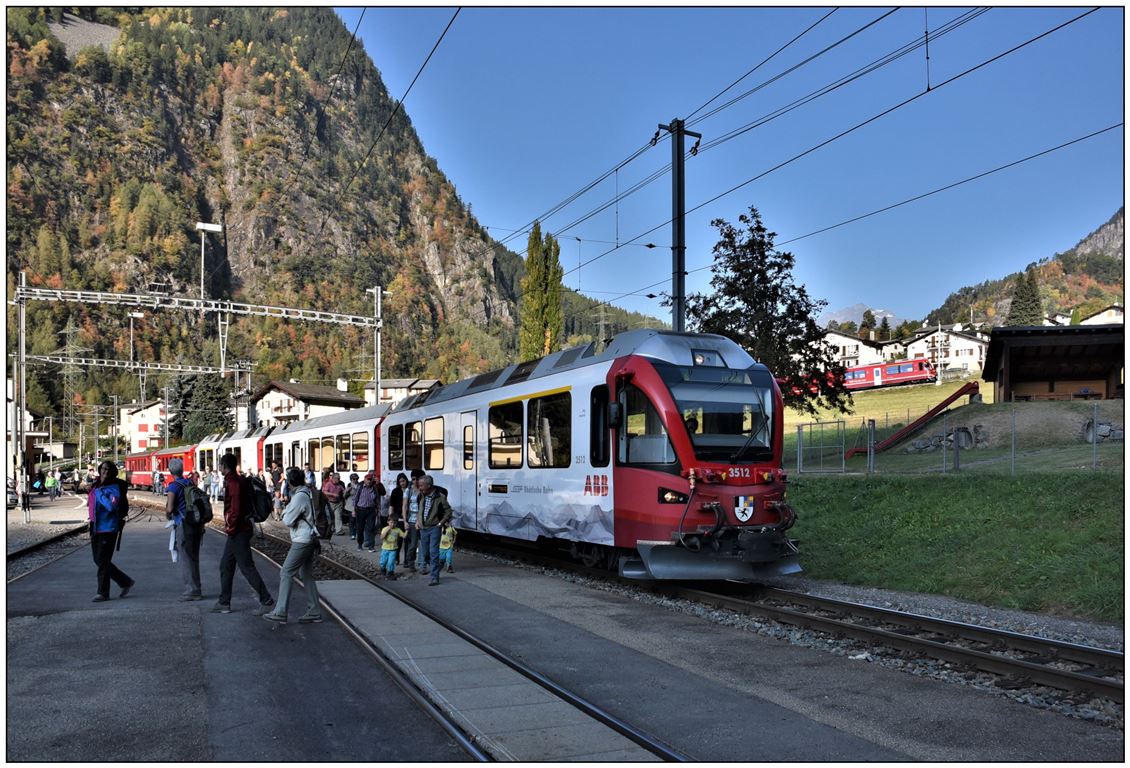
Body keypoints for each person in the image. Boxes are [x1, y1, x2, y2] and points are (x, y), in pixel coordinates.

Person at [213, 453, 274, 615]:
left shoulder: (233, 482)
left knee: (247, 567)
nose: (219, 468)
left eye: (220, 465)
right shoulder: (238, 480)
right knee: (226, 565)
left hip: (239, 530)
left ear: (225, 466)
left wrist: (230, 528)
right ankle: (224, 602)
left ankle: (266, 600)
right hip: (241, 529)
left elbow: (235, 509)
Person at [262, 468, 323, 625]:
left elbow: (288, 520)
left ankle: (281, 611)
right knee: (306, 575)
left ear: (290, 482)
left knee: (286, 572)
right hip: (309, 538)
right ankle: (314, 610)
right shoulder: (306, 493)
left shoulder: (299, 497)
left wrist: (286, 512)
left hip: (302, 540)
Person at [87, 460, 134, 602]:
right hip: (96, 526)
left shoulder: (114, 488)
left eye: (109, 470)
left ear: (112, 472)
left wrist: (99, 493)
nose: (105, 472)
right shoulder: (96, 485)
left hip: (108, 528)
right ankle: (125, 581)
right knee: (99, 560)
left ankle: (102, 592)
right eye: (104, 469)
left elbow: (111, 506)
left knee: (103, 561)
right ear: (100, 469)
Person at [165, 458, 204, 601]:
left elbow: (169, 508)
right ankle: (197, 588)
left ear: (170, 471)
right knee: (194, 557)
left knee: (186, 557)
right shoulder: (189, 482)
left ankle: (191, 590)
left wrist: (168, 515)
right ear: (182, 470)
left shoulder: (173, 486)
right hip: (196, 525)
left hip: (183, 524)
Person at [416, 475, 454, 586]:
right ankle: (437, 565)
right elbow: (420, 510)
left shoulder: (440, 497)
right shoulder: (421, 496)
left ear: (429, 485)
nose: (420, 488)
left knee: (433, 552)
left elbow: (449, 511)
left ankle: (434, 577)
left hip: (434, 528)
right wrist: (418, 521)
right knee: (426, 553)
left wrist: (440, 523)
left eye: (422, 485)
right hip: (423, 528)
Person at [403, 469, 425, 570]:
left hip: (424, 521)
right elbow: (405, 506)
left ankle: (422, 564)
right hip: (412, 520)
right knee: (413, 544)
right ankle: (410, 561)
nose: (415, 481)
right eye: (413, 479)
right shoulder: (409, 490)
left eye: (417, 479)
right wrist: (405, 521)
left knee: (423, 544)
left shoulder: (424, 490)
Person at [387, 473, 409, 561]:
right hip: (398, 519)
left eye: (403, 481)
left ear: (406, 480)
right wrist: (390, 518)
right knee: (398, 540)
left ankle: (407, 560)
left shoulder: (410, 490)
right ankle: (396, 558)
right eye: (400, 481)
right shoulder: (395, 491)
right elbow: (391, 505)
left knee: (407, 541)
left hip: (409, 519)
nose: (402, 483)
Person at [354, 471, 378, 552]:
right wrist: (354, 510)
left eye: (370, 479)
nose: (369, 481)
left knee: (371, 528)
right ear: (364, 479)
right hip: (361, 510)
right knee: (360, 528)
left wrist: (377, 509)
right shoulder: (360, 487)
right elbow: (355, 498)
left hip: (371, 510)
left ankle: (371, 546)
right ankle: (359, 544)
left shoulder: (374, 488)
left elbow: (377, 499)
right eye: (368, 479)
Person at [378, 512, 404, 579]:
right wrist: (387, 530)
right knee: (383, 562)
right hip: (385, 549)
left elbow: (404, 535)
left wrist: (407, 530)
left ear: (396, 523)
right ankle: (383, 569)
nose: (392, 524)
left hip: (393, 549)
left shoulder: (397, 530)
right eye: (391, 522)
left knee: (391, 562)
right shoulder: (385, 529)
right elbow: (381, 537)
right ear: (388, 522)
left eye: (394, 523)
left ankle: (390, 572)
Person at [322, 471, 345, 535]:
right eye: (338, 478)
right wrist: (333, 494)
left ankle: (339, 530)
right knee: (330, 517)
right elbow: (324, 492)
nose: (339, 480)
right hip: (330, 503)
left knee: (338, 517)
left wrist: (347, 491)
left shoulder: (340, 485)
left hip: (338, 503)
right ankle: (330, 529)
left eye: (339, 478)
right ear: (334, 478)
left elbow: (344, 491)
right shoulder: (328, 484)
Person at [343, 473, 360, 539]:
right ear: (351, 479)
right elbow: (344, 496)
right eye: (354, 479)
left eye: (356, 479)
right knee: (352, 520)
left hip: (358, 505)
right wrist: (347, 491)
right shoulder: (349, 485)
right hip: (350, 505)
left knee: (357, 520)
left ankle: (357, 532)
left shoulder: (360, 485)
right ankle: (352, 533)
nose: (355, 480)